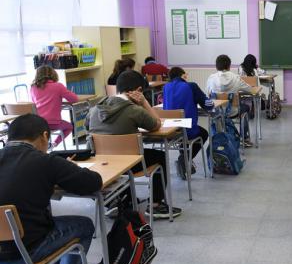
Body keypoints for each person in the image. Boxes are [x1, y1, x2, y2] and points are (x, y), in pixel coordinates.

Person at [0, 114, 102, 264]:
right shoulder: (46, 162)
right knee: (84, 225)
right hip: (26, 252)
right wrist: (69, 167)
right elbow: (93, 182)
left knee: (44, 222)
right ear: (45, 136)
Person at [87, 70, 181, 219]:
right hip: (129, 163)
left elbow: (88, 127)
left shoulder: (94, 109)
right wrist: (144, 102)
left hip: (102, 164)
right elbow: (157, 124)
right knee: (160, 157)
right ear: (138, 91)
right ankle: (156, 205)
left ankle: (118, 200)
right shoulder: (134, 110)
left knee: (119, 157)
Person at [163, 67, 212, 178]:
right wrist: (211, 102)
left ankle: (184, 159)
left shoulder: (166, 87)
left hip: (170, 129)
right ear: (182, 75)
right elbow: (207, 105)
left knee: (184, 132)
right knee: (203, 133)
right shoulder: (191, 86)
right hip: (186, 128)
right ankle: (184, 159)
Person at [206, 54, 253, 146]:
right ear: (229, 66)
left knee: (217, 114)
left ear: (216, 66)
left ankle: (217, 137)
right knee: (245, 108)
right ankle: (245, 138)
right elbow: (249, 89)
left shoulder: (211, 78)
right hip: (232, 111)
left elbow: (207, 93)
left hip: (216, 112)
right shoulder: (236, 78)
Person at [30, 65, 79, 147]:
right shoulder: (58, 86)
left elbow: (33, 103)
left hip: (38, 124)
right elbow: (74, 99)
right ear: (53, 74)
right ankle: (54, 143)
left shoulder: (33, 88)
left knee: (43, 132)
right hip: (53, 123)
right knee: (69, 127)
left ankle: (45, 145)